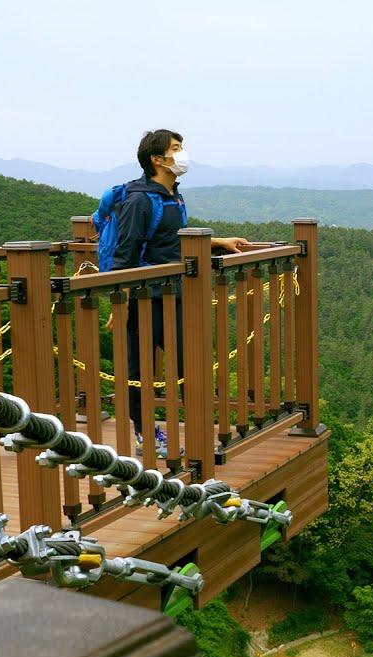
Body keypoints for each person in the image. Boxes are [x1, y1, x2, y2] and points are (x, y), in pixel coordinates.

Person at [113, 129, 250, 455]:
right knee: (140, 371)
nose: (183, 153)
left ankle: (200, 436)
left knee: (191, 365)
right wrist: (120, 304)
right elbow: (124, 255)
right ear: (156, 159)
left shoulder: (172, 195)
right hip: (146, 298)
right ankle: (146, 436)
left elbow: (172, 238)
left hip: (174, 295)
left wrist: (216, 242)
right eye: (176, 149)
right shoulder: (139, 200)